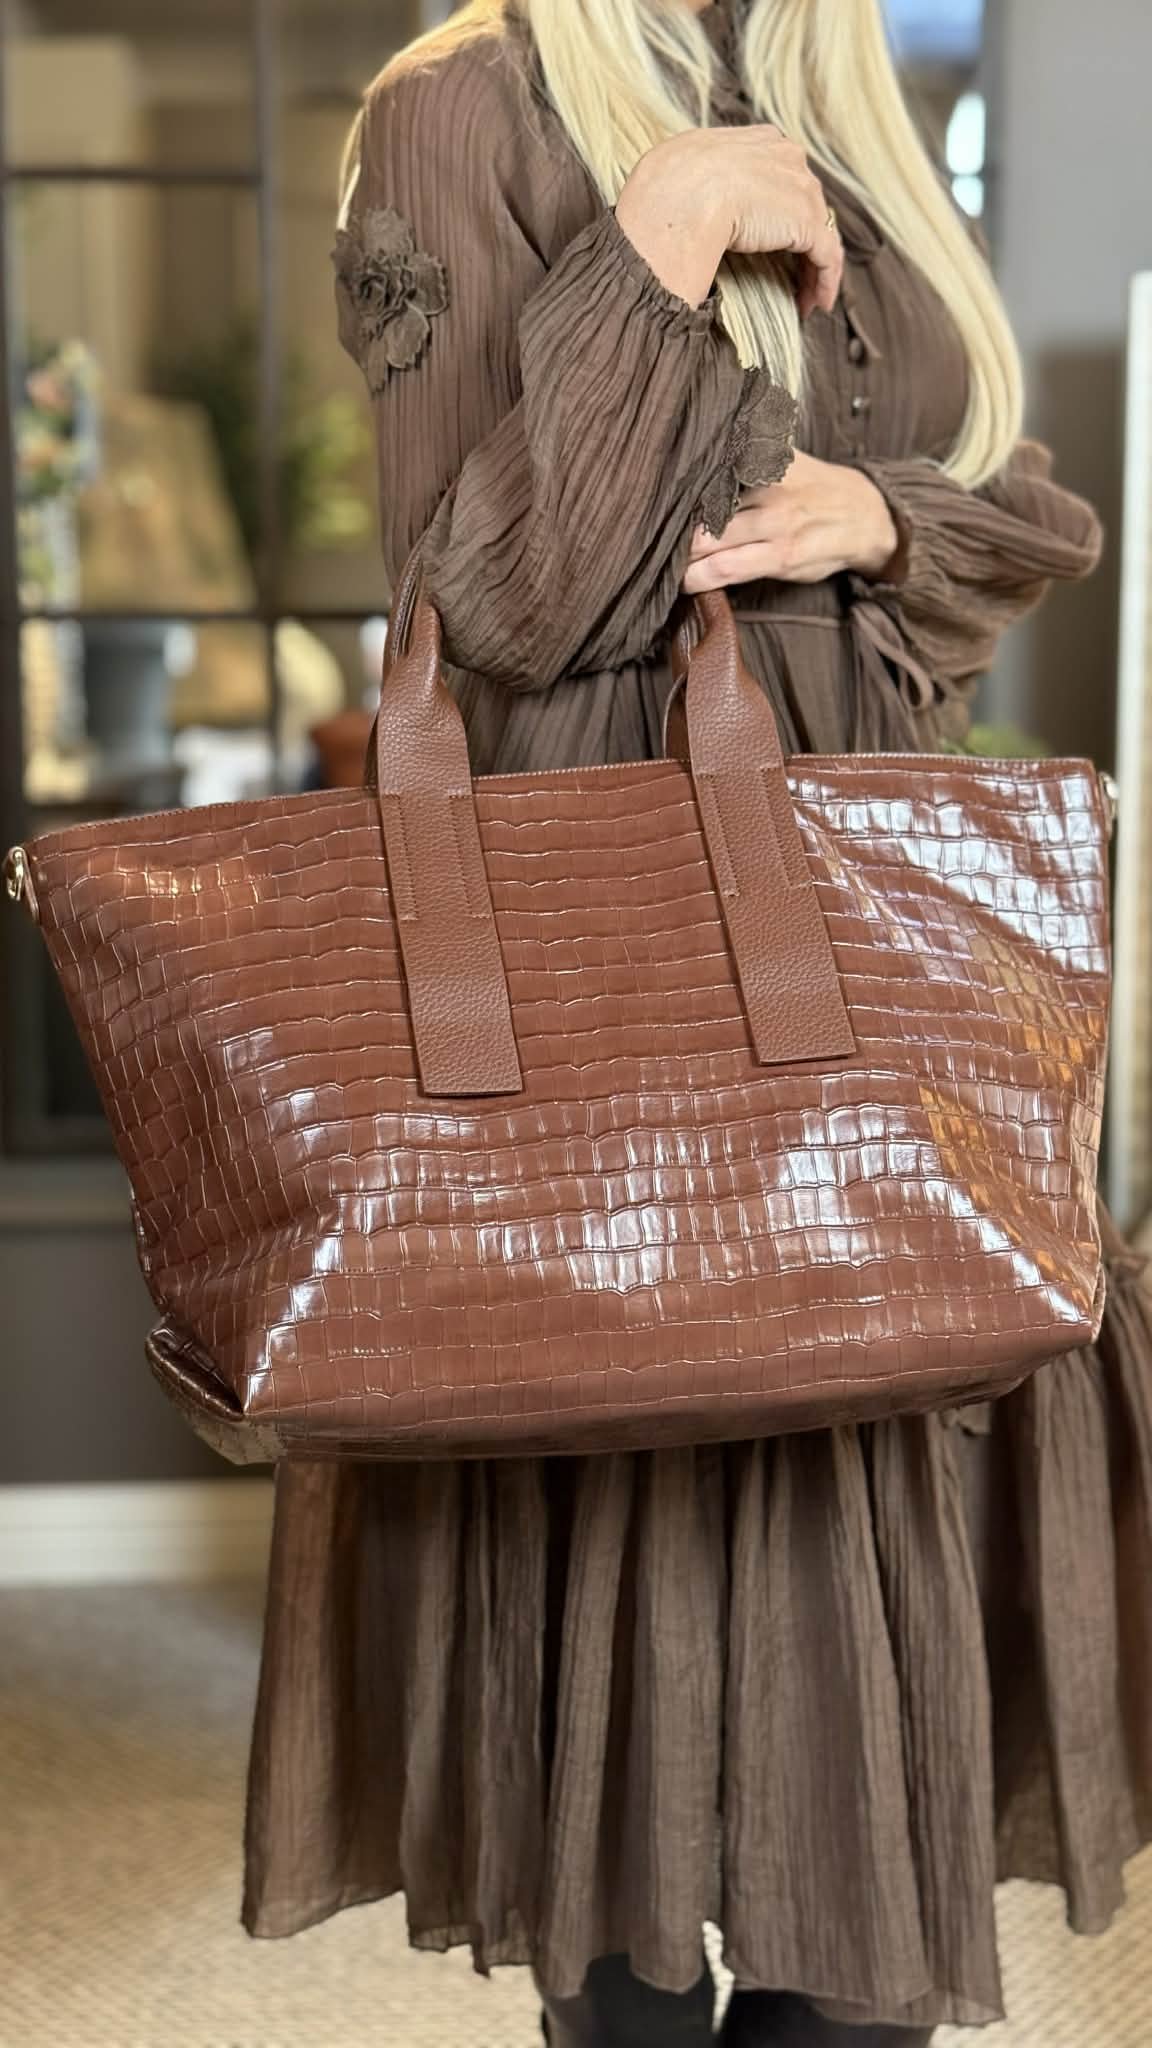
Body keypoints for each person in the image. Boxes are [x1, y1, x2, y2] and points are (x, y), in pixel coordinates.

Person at [241, 4, 1152, 2042]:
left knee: (866, 1891)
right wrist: (656, 236)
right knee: (626, 1854)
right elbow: (480, 607)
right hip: (607, 1009)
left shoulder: (857, 102)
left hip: (876, 1002)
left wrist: (884, 522)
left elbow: (1019, 509)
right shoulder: (462, 110)